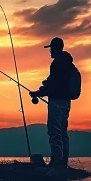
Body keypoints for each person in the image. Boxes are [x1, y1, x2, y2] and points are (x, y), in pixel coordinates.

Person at [30, 36, 73, 168]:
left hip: (56, 102)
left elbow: (52, 85)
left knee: (54, 131)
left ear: (55, 48)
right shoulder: (68, 64)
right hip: (66, 102)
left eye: (51, 49)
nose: (50, 52)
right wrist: (42, 89)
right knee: (63, 132)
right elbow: (53, 82)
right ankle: (63, 161)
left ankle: (56, 162)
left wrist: (38, 92)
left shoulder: (57, 64)